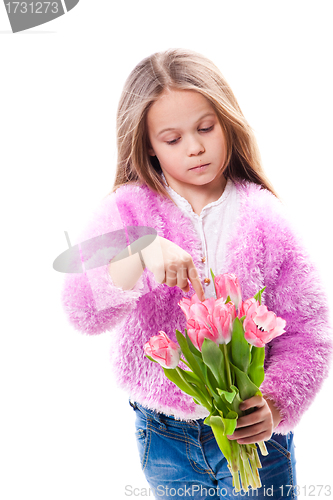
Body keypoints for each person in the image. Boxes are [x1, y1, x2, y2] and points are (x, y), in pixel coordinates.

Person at [61, 48, 332, 499]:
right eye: (172, 138)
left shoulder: (266, 219)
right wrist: (140, 256)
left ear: (227, 123)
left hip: (253, 434)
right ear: (147, 144)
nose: (195, 146)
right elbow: (82, 311)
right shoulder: (127, 211)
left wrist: (277, 402)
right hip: (164, 435)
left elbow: (309, 328)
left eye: (206, 128)